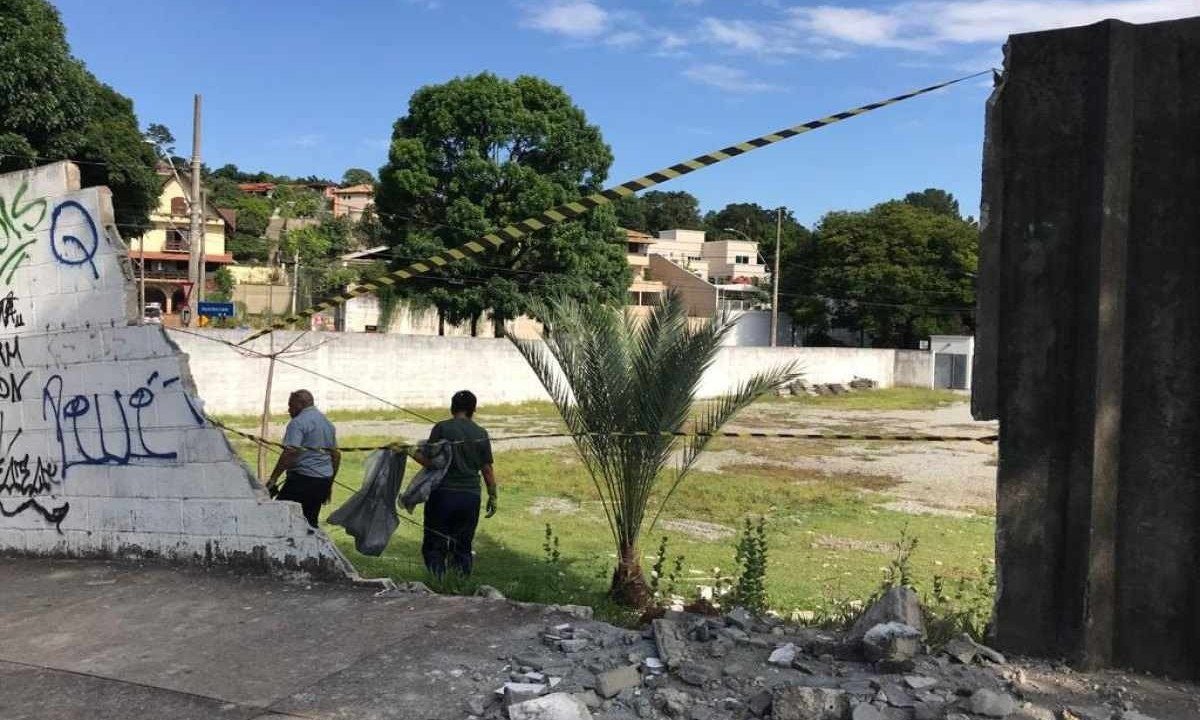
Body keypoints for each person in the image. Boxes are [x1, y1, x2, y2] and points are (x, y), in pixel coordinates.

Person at [415, 390, 497, 577]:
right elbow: (487, 469)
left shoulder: (441, 428)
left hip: (442, 495)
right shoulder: (481, 432)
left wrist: (410, 451)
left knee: (435, 544)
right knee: (463, 545)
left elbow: (431, 462)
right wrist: (493, 496)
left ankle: (438, 582)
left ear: (452, 408)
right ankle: (460, 584)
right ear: (473, 409)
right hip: (470, 497)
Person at [267, 390, 341, 528]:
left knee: (281, 518)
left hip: (303, 480)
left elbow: (290, 452)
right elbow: (336, 455)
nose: (289, 410)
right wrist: (329, 483)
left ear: (301, 404)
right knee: (310, 523)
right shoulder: (326, 423)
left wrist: (273, 479)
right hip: (322, 480)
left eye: (291, 405)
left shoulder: (298, 423)